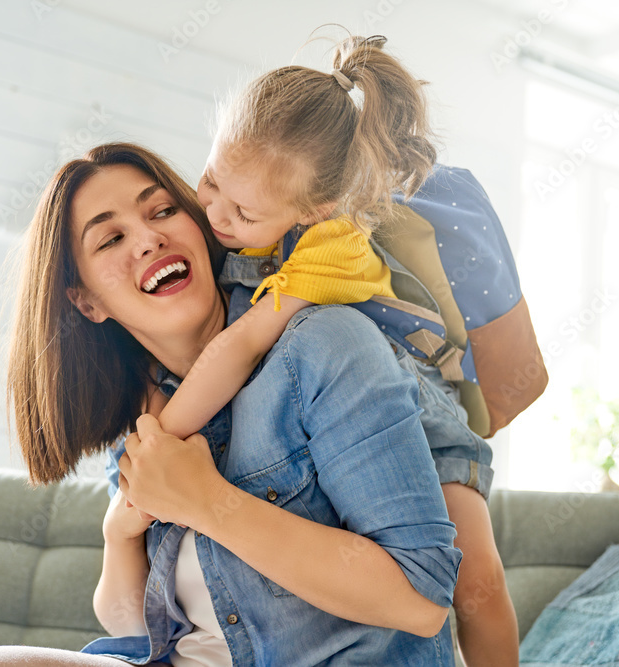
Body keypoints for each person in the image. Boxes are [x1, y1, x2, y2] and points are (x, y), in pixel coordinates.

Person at [0, 142, 463, 667]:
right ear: (86, 302)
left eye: (162, 210)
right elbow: (131, 626)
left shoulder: (324, 344)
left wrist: (206, 503)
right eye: (111, 239)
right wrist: (120, 531)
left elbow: (420, 600)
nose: (149, 238)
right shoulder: (145, 414)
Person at [155, 35, 519, 666]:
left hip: (420, 406)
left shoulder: (331, 248)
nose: (212, 209)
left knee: (477, 581)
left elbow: (241, 347)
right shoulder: (255, 230)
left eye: (241, 209)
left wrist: (159, 446)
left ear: (315, 210)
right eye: (210, 178)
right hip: (356, 403)